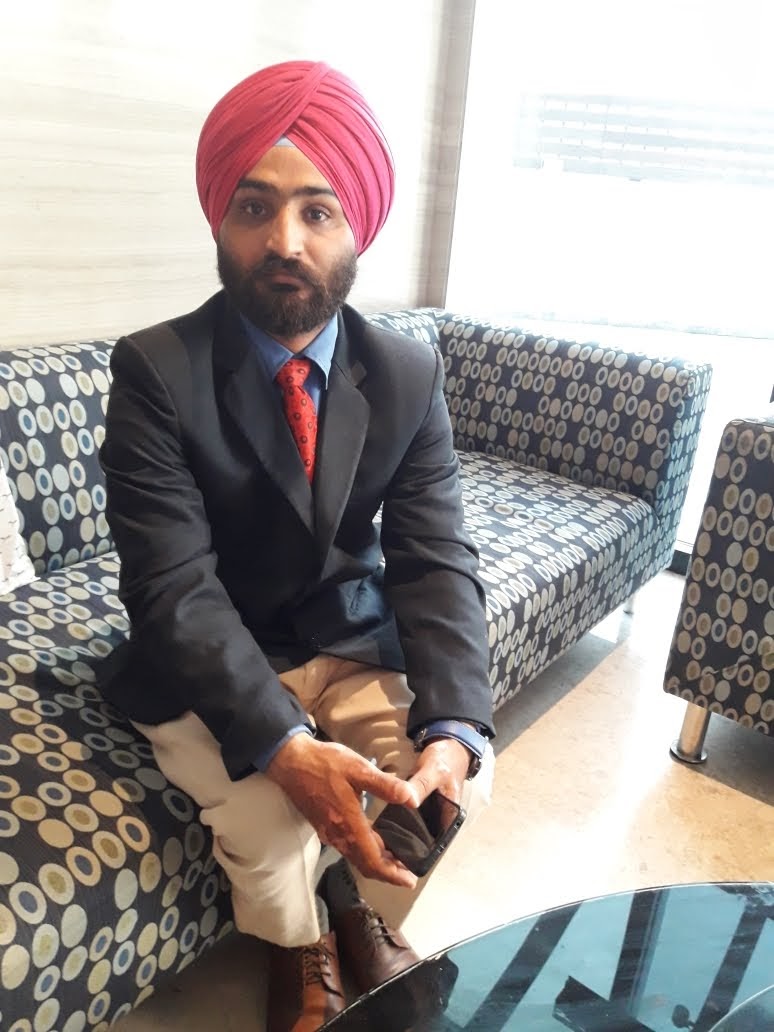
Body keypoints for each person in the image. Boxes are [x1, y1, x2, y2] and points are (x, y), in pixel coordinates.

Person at [99, 59, 495, 1032]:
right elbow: (174, 586)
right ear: (220, 221)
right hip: (211, 654)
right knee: (272, 827)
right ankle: (302, 942)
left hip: (346, 637)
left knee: (448, 793)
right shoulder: (155, 370)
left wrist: (454, 729)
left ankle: (357, 903)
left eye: (318, 210)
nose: (284, 240)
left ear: (357, 229)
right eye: (255, 207)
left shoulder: (406, 372)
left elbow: (436, 557)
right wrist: (283, 744)